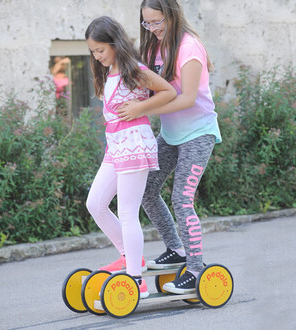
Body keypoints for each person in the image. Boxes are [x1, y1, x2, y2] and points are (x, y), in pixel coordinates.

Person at [117, 0, 222, 295]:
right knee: (147, 189)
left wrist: (142, 110)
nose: (152, 29)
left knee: (182, 199)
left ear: (172, 16)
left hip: (198, 134)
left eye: (157, 22)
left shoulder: (190, 47)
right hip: (172, 134)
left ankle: (196, 267)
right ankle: (176, 249)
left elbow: (187, 98)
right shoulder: (153, 47)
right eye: (146, 23)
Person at [85, 16, 176, 298]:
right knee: (95, 203)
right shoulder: (109, 71)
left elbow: (168, 91)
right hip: (116, 145)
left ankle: (136, 279)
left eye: (100, 49)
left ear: (115, 43)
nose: (97, 56)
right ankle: (128, 258)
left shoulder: (132, 69)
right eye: (93, 51)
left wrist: (141, 108)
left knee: (127, 212)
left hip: (135, 143)